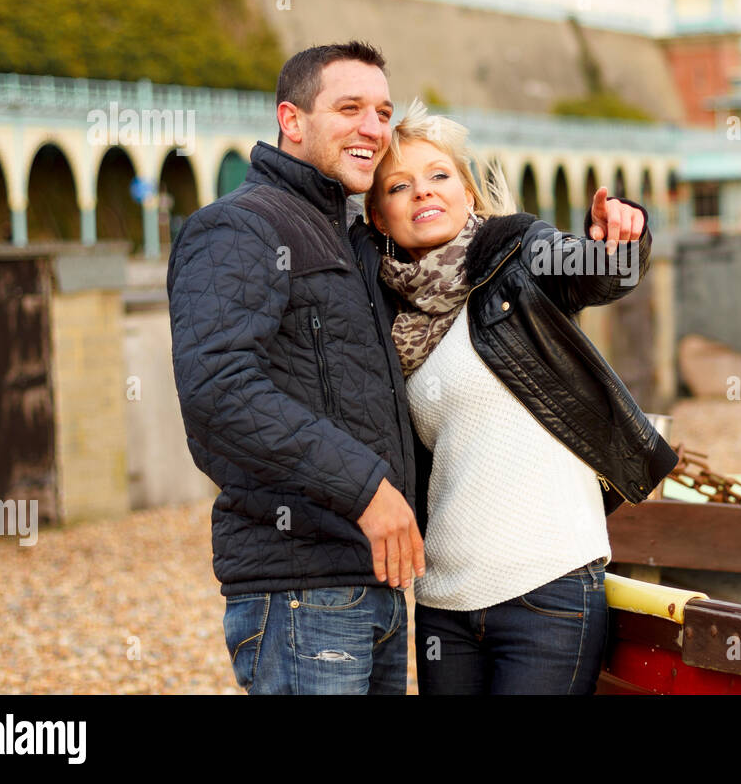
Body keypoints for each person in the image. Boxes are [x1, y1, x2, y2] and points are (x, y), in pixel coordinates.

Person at [365, 99, 678, 694]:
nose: (422, 193)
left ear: (468, 193)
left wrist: (620, 237)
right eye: (399, 186)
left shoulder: (516, 253)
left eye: (439, 176)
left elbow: (595, 271)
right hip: (444, 602)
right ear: (380, 218)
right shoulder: (389, 321)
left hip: (549, 582)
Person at [168, 41, 425, 694]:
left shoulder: (350, 237)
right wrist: (366, 489)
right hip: (301, 591)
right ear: (292, 120)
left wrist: (608, 251)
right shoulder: (239, 228)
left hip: (372, 583)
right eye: (350, 108)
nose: (373, 127)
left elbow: (475, 255)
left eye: (383, 111)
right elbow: (219, 392)